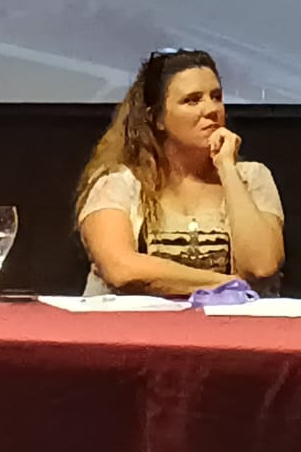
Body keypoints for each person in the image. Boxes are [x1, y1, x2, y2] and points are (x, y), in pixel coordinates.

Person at [76, 49, 285, 296]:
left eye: (216, 97)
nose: (211, 109)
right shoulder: (118, 183)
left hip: (226, 330)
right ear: (157, 119)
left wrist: (227, 168)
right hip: (133, 329)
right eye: (192, 100)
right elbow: (121, 268)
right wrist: (228, 284)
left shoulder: (252, 178)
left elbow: (261, 265)